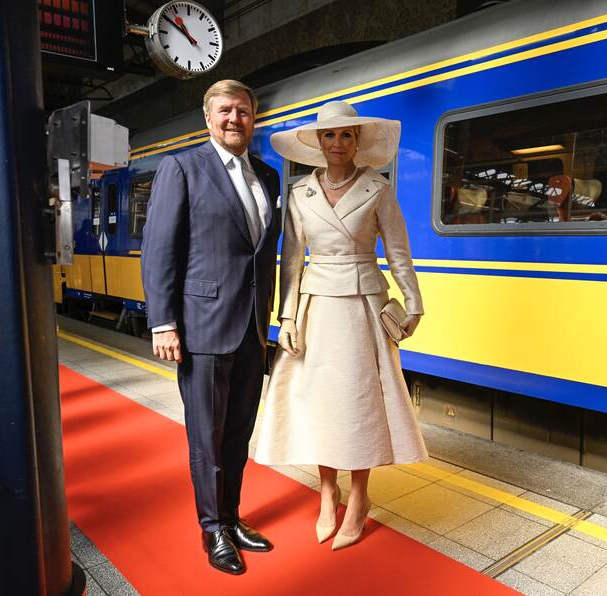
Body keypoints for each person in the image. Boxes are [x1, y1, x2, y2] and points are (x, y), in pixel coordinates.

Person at [253, 100, 428, 550]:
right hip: (315, 307)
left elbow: (399, 251)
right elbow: (290, 260)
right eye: (329, 135)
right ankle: (328, 490)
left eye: (346, 135)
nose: (337, 143)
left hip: (362, 306)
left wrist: (413, 301)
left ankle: (360, 498)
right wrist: (287, 316)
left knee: (359, 403)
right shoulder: (298, 195)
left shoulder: (377, 188)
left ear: (357, 142)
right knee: (322, 402)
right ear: (317, 142)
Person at [141, 80, 281, 574]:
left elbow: (260, 255)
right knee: (206, 435)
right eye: (225, 111)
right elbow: (160, 248)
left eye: (243, 111)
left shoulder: (267, 175)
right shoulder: (181, 167)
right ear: (208, 117)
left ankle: (232, 515)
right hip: (200, 326)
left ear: (253, 118)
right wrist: (163, 323)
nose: (234, 119)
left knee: (238, 431)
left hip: (250, 326)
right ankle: (212, 531)